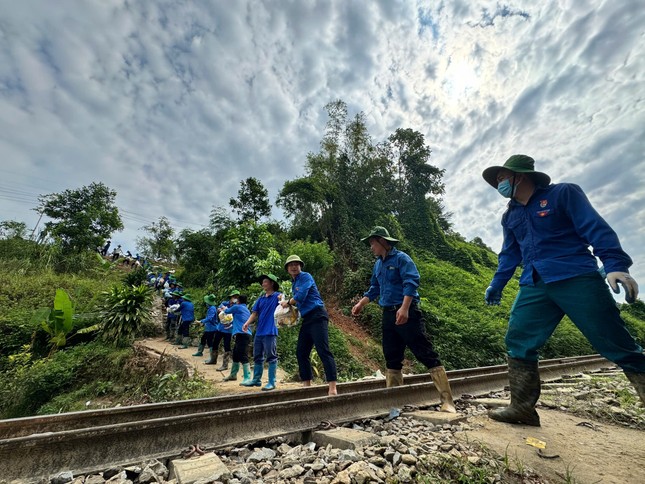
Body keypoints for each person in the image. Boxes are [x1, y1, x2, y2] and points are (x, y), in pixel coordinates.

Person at [482, 154, 644, 426]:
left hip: (575, 276)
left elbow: (594, 227)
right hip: (534, 284)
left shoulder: (563, 194)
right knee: (518, 340)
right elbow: (510, 254)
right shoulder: (510, 215)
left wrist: (615, 264)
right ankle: (522, 408)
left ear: (519, 176)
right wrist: (496, 284)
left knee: (615, 342)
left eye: (501, 178)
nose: (498, 184)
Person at [351, 227, 456, 413]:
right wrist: (361, 304)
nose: (371, 247)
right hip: (388, 314)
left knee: (425, 352)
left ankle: (447, 401)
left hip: (407, 312)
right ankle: (394, 403)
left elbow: (411, 282)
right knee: (392, 357)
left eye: (372, 243)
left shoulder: (402, 259)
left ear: (382, 242)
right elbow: (374, 288)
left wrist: (405, 308)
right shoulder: (378, 264)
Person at [281, 255, 338, 396]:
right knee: (301, 352)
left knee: (323, 350)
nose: (294, 266)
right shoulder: (294, 284)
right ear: (287, 269)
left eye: (296, 264)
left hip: (318, 315)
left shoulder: (306, 277)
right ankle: (307, 386)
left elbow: (301, 296)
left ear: (300, 266)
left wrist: (288, 302)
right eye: (291, 265)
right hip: (307, 318)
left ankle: (332, 387)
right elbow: (298, 303)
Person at [241, 274, 282, 390]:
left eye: (265, 282)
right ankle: (256, 380)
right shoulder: (260, 299)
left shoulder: (277, 296)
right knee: (257, 355)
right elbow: (254, 314)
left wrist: (282, 300)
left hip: (270, 331)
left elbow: (284, 304)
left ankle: (272, 382)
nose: (263, 284)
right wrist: (247, 323)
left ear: (272, 283)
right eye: (263, 282)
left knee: (271, 356)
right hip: (259, 332)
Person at [221, 294, 252, 382]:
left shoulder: (237, 307)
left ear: (238, 301)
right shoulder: (246, 309)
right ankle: (233, 375)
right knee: (235, 354)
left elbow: (227, 311)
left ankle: (247, 377)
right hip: (243, 334)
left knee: (243, 355)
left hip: (242, 334)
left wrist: (223, 308)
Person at [209, 291, 237, 369]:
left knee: (227, 346)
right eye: (234, 296)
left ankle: (225, 365)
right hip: (220, 327)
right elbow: (219, 309)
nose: (235, 298)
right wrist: (220, 310)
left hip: (229, 329)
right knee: (215, 343)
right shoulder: (225, 303)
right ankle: (213, 359)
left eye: (236, 297)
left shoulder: (236, 306)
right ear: (230, 297)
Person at [193, 294, 219, 363]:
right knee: (203, 339)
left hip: (211, 328)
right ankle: (200, 352)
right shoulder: (211, 308)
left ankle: (212, 357)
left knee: (210, 342)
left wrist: (201, 321)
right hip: (208, 327)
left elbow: (209, 318)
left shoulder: (212, 308)